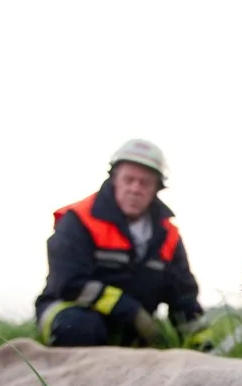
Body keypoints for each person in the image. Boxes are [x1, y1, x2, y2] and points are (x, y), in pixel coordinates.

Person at [34, 138, 209, 348]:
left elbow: (184, 298)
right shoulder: (79, 220)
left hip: (129, 328)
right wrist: (132, 311)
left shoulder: (168, 236)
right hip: (69, 316)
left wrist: (203, 345)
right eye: (129, 179)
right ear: (114, 179)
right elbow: (69, 283)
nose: (135, 189)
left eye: (145, 182)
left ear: (157, 188)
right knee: (81, 327)